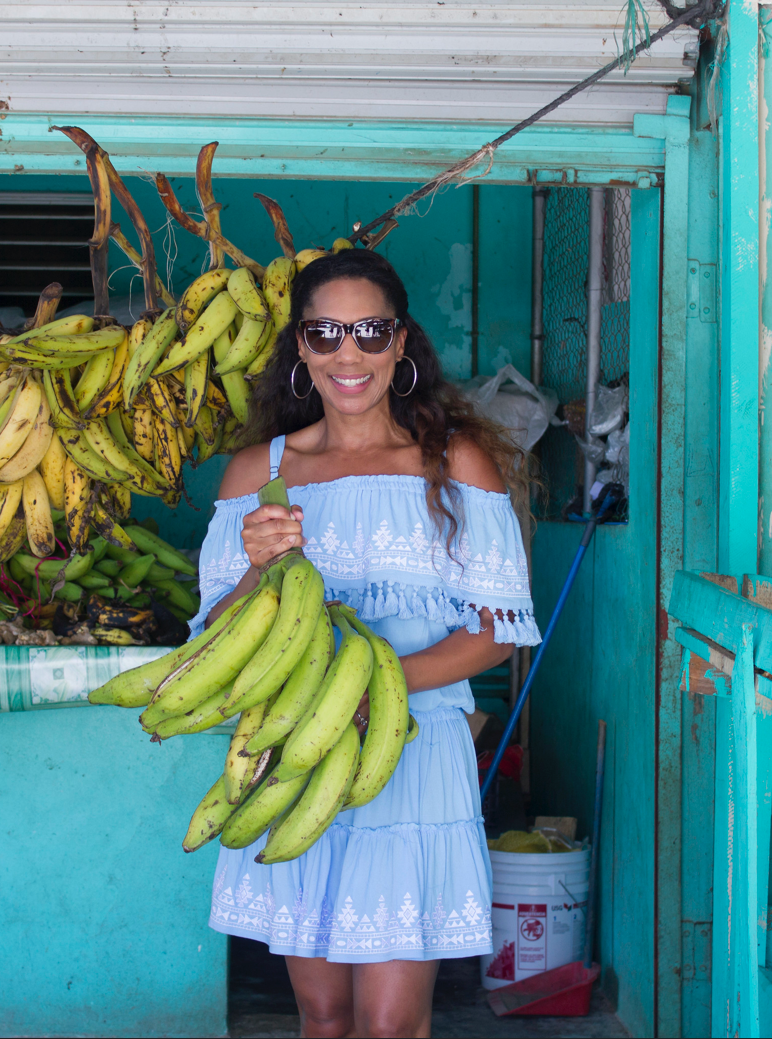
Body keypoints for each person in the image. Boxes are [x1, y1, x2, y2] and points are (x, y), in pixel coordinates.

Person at [192, 249, 542, 1038]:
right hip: (295, 752)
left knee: (388, 1024)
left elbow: (495, 634)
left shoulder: (453, 465)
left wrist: (364, 691)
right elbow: (215, 641)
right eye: (324, 332)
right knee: (322, 1017)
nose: (347, 352)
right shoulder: (260, 471)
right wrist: (256, 568)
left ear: (399, 342)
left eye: (368, 330)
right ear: (300, 349)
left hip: (411, 754)